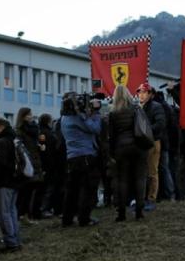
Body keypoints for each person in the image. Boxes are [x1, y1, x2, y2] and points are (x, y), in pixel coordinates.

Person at [60, 92, 102, 227]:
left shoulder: (64, 119)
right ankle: (84, 218)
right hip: (86, 156)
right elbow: (95, 128)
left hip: (72, 158)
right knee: (87, 188)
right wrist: (95, 113)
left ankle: (67, 219)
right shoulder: (77, 119)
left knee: (72, 190)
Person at [107, 85, 148, 221]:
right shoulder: (136, 108)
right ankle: (139, 211)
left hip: (121, 148)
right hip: (138, 147)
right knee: (139, 178)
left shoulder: (113, 113)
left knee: (122, 180)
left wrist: (112, 152)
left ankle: (122, 213)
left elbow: (111, 136)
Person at [0, 118, 24, 252]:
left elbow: (2, 164)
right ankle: (16, 240)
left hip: (4, 182)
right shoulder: (14, 140)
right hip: (15, 181)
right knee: (11, 211)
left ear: (1, 127)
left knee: (4, 213)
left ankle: (11, 243)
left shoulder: (2, 142)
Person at [136, 83, 166, 212]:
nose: (141, 95)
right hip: (142, 142)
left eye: (144, 92)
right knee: (142, 171)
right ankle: (142, 198)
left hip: (153, 142)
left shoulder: (156, 107)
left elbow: (160, 124)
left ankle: (152, 198)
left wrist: (145, 131)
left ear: (150, 94)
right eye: (139, 92)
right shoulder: (138, 107)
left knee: (152, 171)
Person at [14, 107, 44, 223]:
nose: (30, 116)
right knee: (25, 191)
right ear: (22, 117)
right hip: (26, 163)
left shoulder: (34, 129)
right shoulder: (20, 131)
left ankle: (25, 215)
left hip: (35, 161)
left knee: (31, 189)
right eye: (27, 115)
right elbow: (20, 148)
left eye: (30, 114)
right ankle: (22, 215)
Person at [38, 113, 64, 218]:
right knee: (49, 188)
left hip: (50, 164)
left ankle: (46, 208)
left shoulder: (44, 132)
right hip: (50, 164)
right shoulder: (47, 133)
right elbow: (48, 150)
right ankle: (44, 209)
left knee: (49, 187)